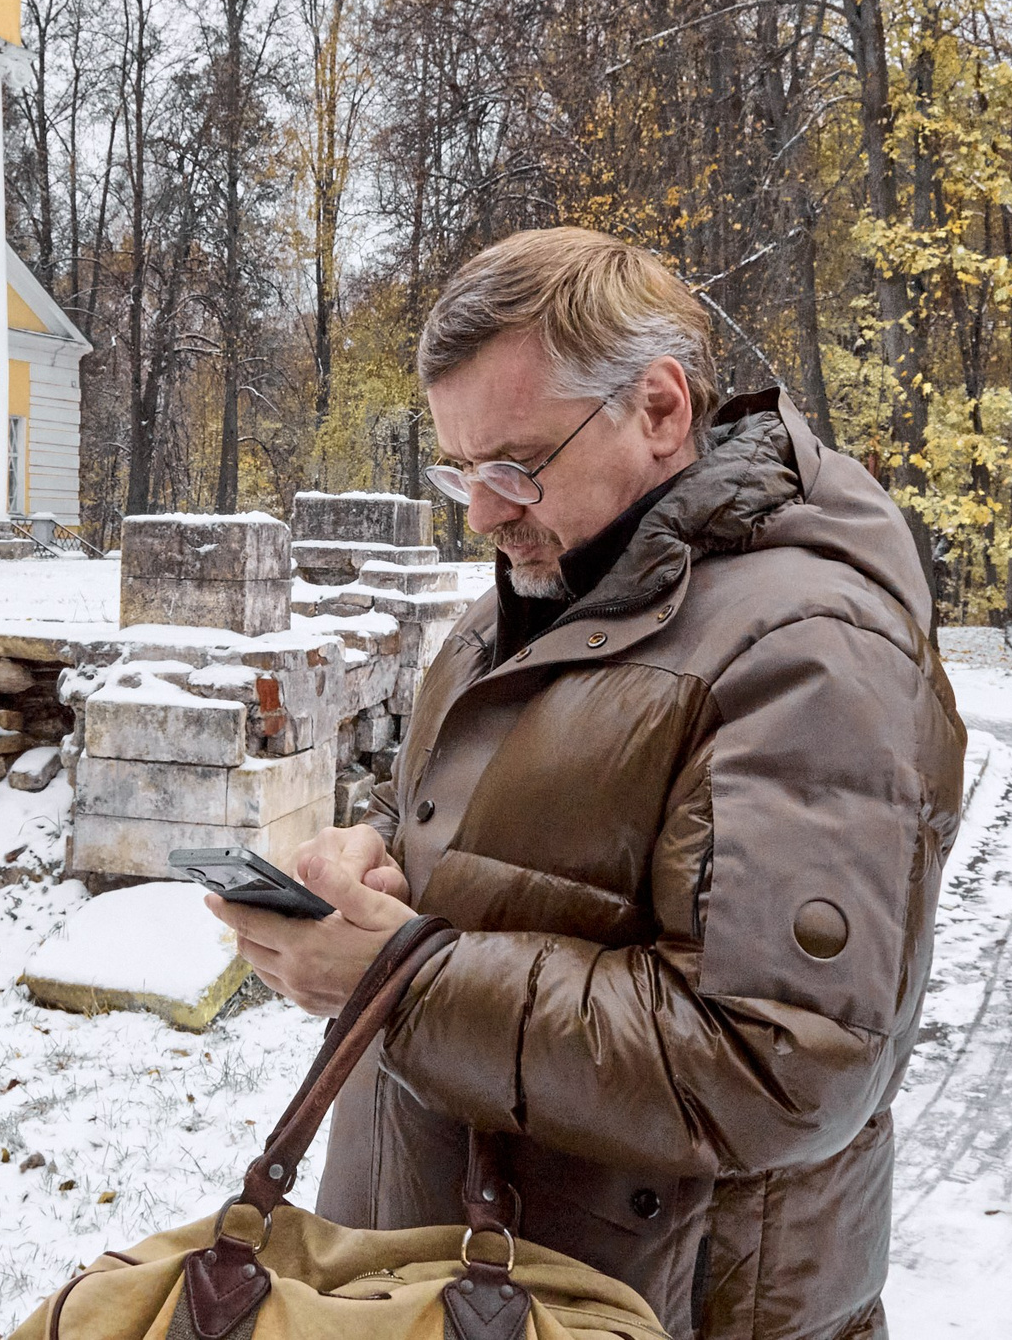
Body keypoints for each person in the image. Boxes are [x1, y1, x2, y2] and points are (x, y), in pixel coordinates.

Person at [204, 226, 965, 1340]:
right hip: (445, 1277)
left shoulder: (810, 652)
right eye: (456, 469)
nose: (480, 510)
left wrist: (401, 981)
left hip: (654, 1305)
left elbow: (779, 1061)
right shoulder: (526, 600)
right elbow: (505, 831)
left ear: (659, 409)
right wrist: (368, 853)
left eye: (513, 465)